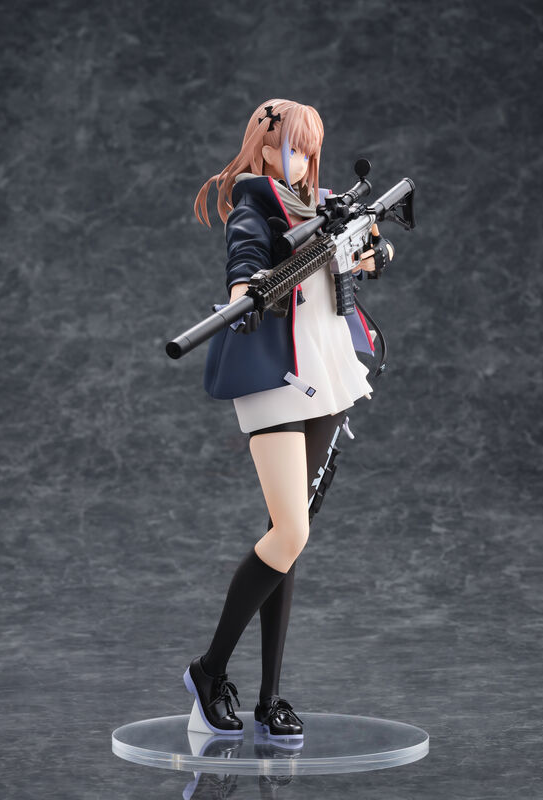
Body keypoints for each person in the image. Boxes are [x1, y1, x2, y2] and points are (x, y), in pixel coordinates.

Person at [182, 99, 395, 741]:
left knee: (288, 535)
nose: (293, 160)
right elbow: (244, 259)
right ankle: (209, 670)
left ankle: (270, 696)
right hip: (275, 379)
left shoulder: (326, 205)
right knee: (290, 531)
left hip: (326, 374)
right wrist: (247, 295)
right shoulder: (255, 205)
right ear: (261, 147)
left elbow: (372, 257)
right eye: (282, 147)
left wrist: (370, 252)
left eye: (304, 150)